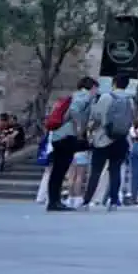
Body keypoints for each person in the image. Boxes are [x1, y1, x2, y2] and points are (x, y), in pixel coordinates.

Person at [45, 77, 101, 211]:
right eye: (96, 88)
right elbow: (75, 110)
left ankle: (54, 201)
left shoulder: (74, 95)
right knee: (61, 169)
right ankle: (55, 202)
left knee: (57, 171)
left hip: (59, 135)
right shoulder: (85, 96)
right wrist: (80, 128)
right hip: (67, 136)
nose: (96, 91)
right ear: (92, 87)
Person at [84, 76, 137, 211]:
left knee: (96, 171)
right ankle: (113, 201)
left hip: (103, 139)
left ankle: (87, 201)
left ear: (114, 83)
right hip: (120, 140)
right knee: (115, 171)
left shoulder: (106, 97)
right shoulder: (130, 100)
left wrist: (90, 130)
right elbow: (131, 120)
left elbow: (96, 117)